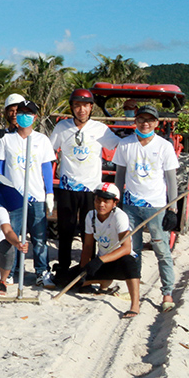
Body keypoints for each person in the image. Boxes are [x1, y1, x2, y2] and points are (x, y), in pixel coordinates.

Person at [49, 88, 121, 283]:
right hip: (67, 188)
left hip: (91, 190)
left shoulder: (100, 129)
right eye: (77, 106)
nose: (81, 110)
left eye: (85, 106)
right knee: (65, 230)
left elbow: (119, 146)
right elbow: (49, 152)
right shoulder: (62, 127)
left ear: (91, 108)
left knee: (90, 230)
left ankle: (88, 269)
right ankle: (63, 268)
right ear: (72, 108)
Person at [112, 104, 179, 312]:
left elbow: (171, 179)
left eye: (150, 120)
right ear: (136, 121)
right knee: (133, 250)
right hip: (131, 206)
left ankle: (167, 292)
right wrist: (118, 201)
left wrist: (172, 208)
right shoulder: (125, 145)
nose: (145, 123)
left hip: (157, 207)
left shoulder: (164, 146)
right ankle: (135, 292)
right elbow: (120, 175)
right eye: (141, 119)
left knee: (161, 249)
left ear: (156, 123)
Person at [0, 100, 57, 287]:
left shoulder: (42, 140)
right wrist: (0, 193)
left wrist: (50, 193)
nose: (23, 116)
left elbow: (46, 168)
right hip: (13, 197)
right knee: (13, 236)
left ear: (35, 117)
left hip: (36, 196)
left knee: (39, 238)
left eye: (28, 113)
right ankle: (11, 272)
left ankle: (41, 271)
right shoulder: (5, 139)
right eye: (20, 112)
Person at [66, 182, 142, 318]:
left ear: (114, 203)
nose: (101, 205)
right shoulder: (91, 216)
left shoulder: (120, 216)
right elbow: (88, 246)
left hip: (118, 261)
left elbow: (126, 248)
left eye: (106, 201)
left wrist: (100, 260)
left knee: (130, 262)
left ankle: (135, 305)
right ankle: (103, 282)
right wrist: (83, 268)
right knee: (65, 280)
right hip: (102, 262)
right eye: (98, 200)